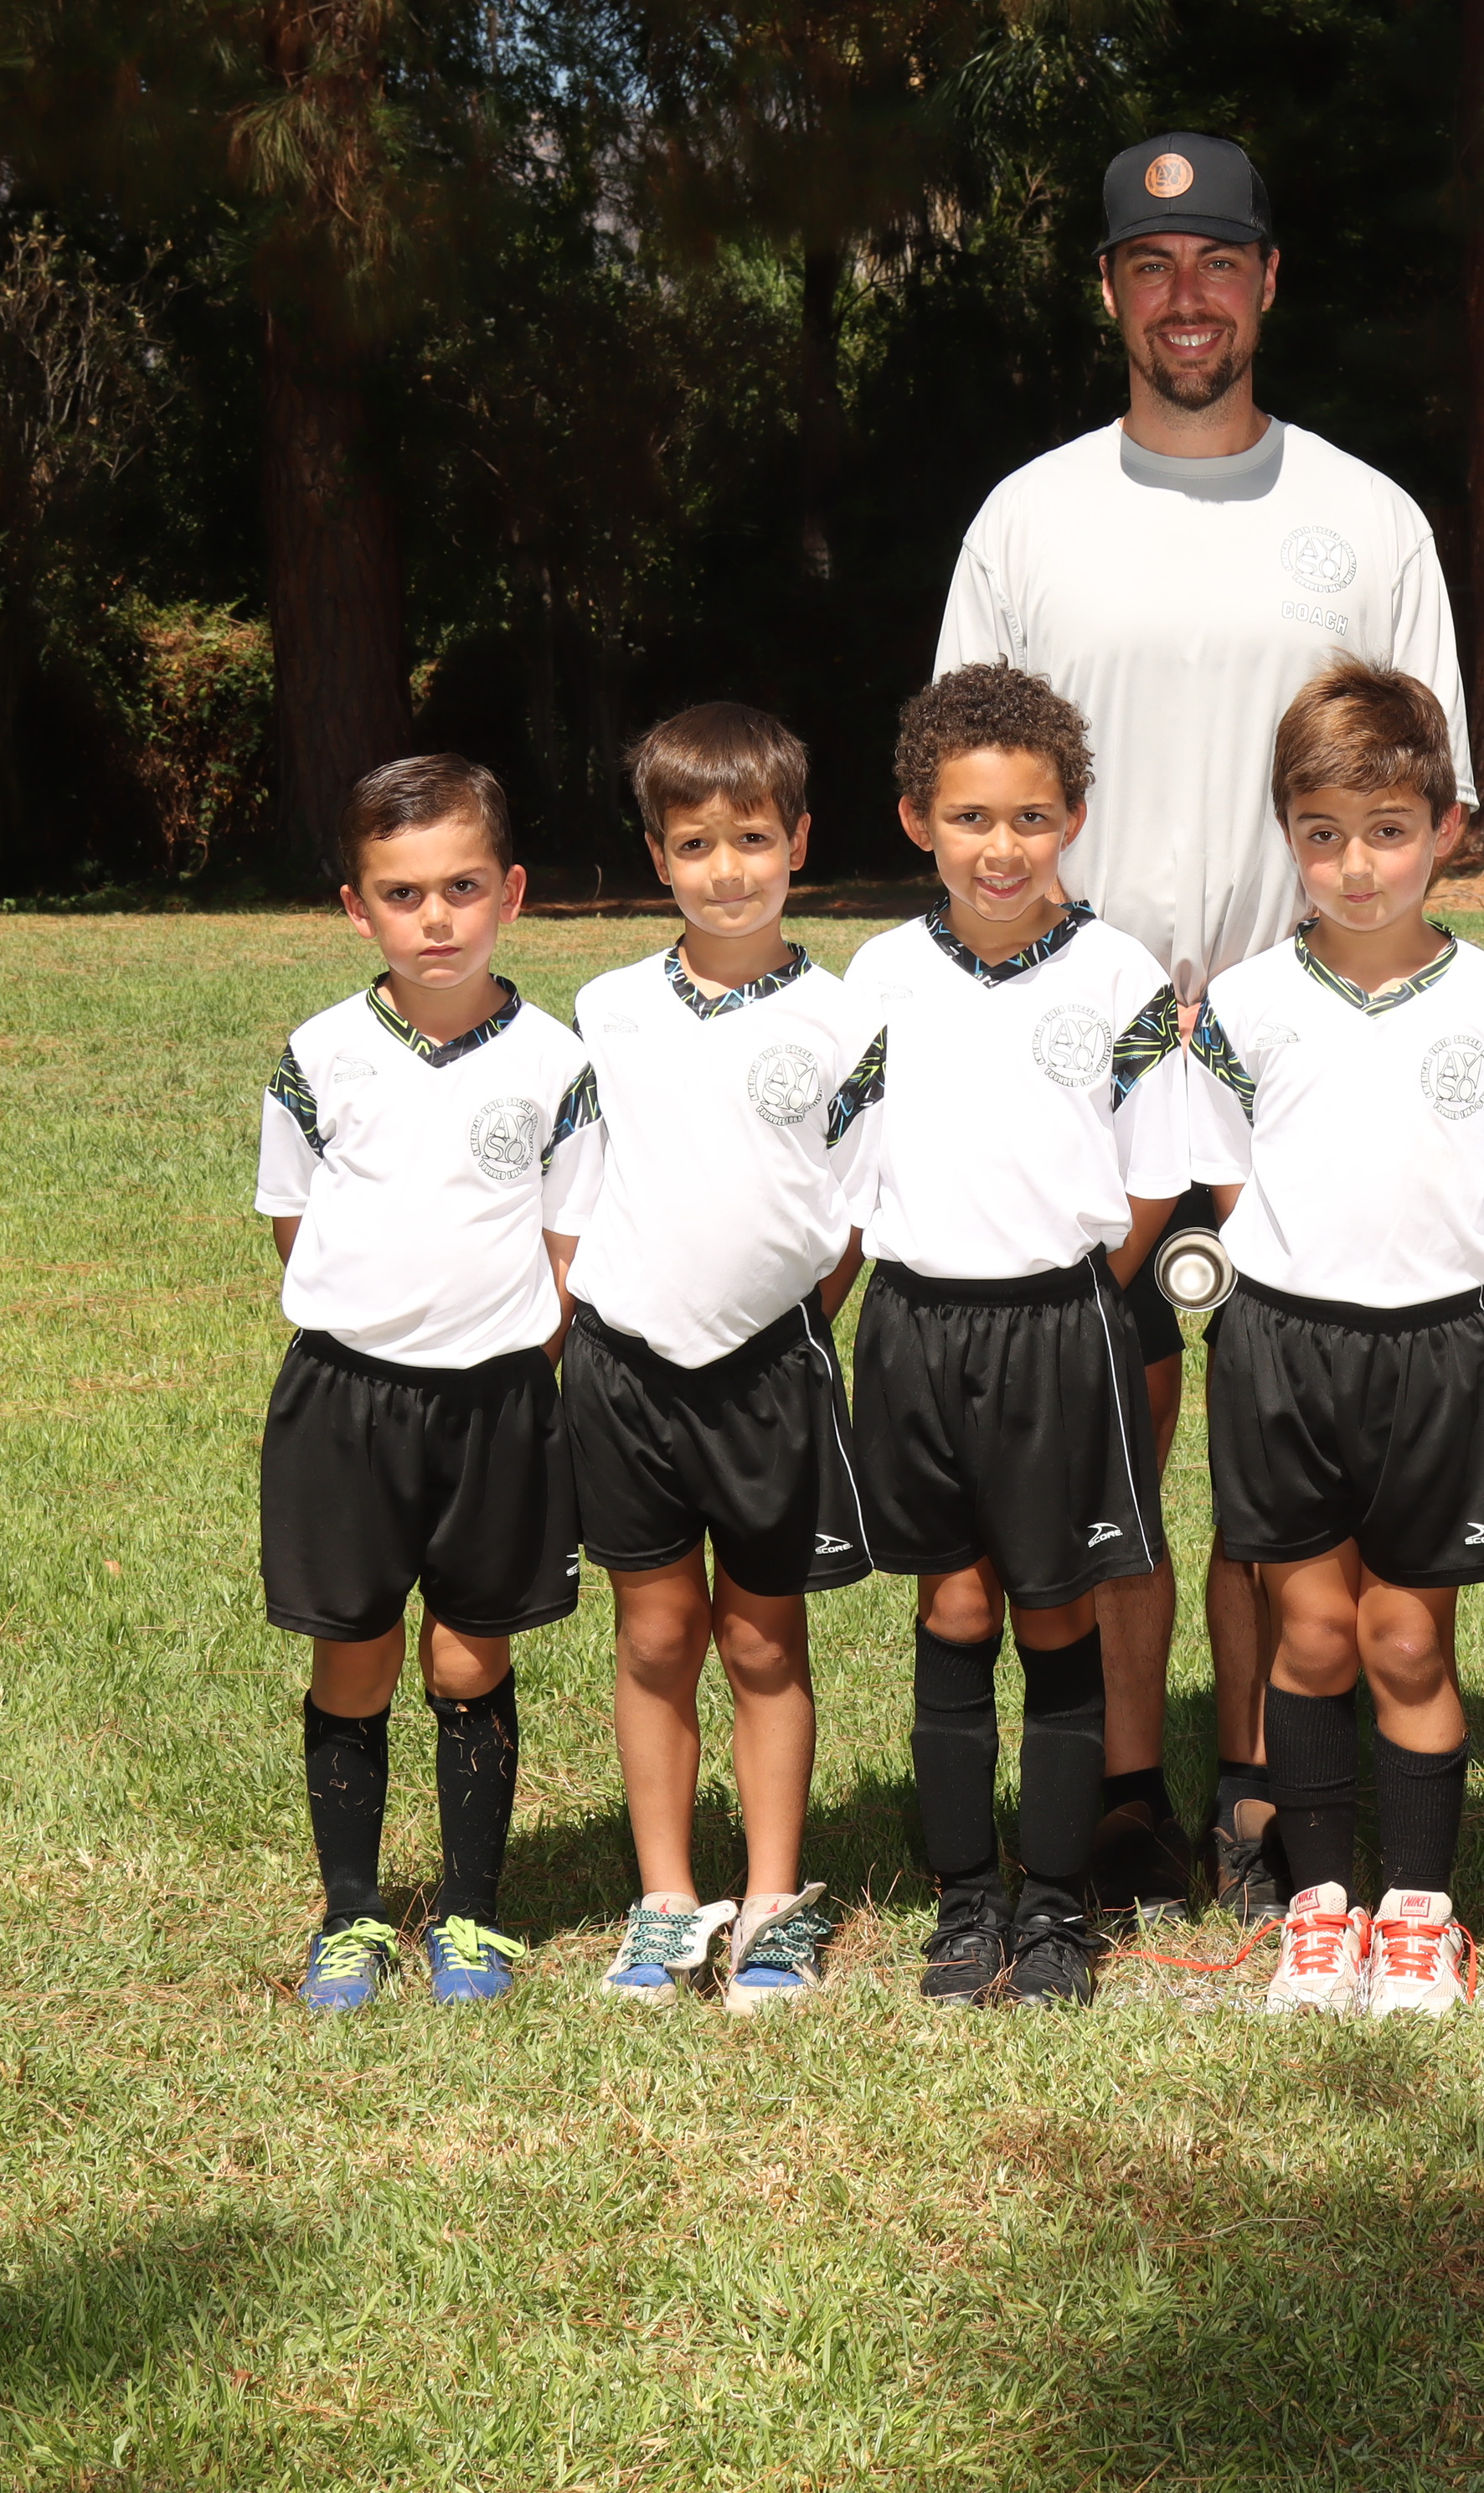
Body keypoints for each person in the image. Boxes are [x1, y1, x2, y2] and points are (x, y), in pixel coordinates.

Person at [935, 129, 1475, 1922]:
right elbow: (970, 771)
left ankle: (1259, 1787)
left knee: (1277, 1439)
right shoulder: (1027, 516)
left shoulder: (1367, 517)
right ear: (1110, 288)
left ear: (1268, 281)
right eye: (1154, 264)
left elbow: (1421, 786)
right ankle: (1120, 1792)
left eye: (1220, 261)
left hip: (1296, 1026)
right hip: (1073, 1030)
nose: (1189, 296)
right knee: (1109, 1427)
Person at [1182, 663, 1484, 2019]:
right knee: (1314, 1637)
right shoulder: (1245, 1004)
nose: (1357, 865)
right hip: (1284, 1353)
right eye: (1325, 834)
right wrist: (1302, 1280)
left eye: (1389, 832)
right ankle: (1322, 1910)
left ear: (1446, 829)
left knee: (1405, 1643)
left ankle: (1419, 1919)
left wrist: (1444, 1270)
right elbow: (1226, 1174)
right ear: (1289, 833)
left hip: (1438, 1358)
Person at [835, 666, 1189, 2010]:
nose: (1001, 847)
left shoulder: (1119, 974)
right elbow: (846, 1168)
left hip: (1059, 1327)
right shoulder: (879, 977)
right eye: (971, 817)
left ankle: (1054, 1906)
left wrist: (1077, 1297)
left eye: (1031, 818)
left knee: (1055, 1604)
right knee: (954, 1602)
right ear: (918, 820)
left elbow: (1151, 1177)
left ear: (1073, 820)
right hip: (917, 1325)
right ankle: (966, 1898)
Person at [255, 755, 599, 2014]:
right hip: (344, 1403)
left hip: (496, 1404)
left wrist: (498, 1349)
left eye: (462, 887)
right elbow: (293, 1219)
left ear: (511, 891)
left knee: (467, 1660)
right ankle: (352, 1916)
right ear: (358, 909)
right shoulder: (321, 1053)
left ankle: (472, 1912)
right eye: (402, 895)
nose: (436, 919)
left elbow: (568, 1245)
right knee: (355, 1661)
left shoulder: (555, 1062)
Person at [559, 704, 881, 2012]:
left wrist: (784, 1324)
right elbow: (576, 1186)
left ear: (799, 841)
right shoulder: (608, 1010)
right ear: (658, 857)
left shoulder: (847, 1021)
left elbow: (852, 1213)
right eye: (695, 845)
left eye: (753, 839)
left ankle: (774, 1904)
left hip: (766, 1373)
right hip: (625, 1369)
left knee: (760, 1640)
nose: (727, 869)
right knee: (653, 1635)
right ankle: (665, 1900)